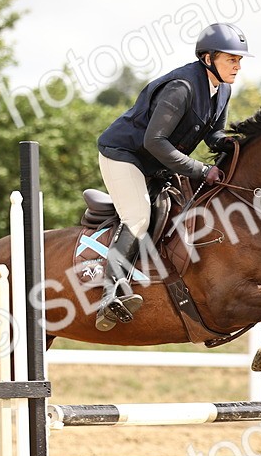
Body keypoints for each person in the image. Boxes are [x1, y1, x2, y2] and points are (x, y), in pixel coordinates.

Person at [94, 22, 251, 331]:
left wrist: (232, 144)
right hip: (124, 155)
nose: (237, 66)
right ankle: (109, 295)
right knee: (138, 216)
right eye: (231, 59)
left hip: (157, 163)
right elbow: (154, 141)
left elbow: (214, 133)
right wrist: (201, 170)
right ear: (208, 58)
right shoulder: (182, 88)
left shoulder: (223, 89)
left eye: (239, 60)